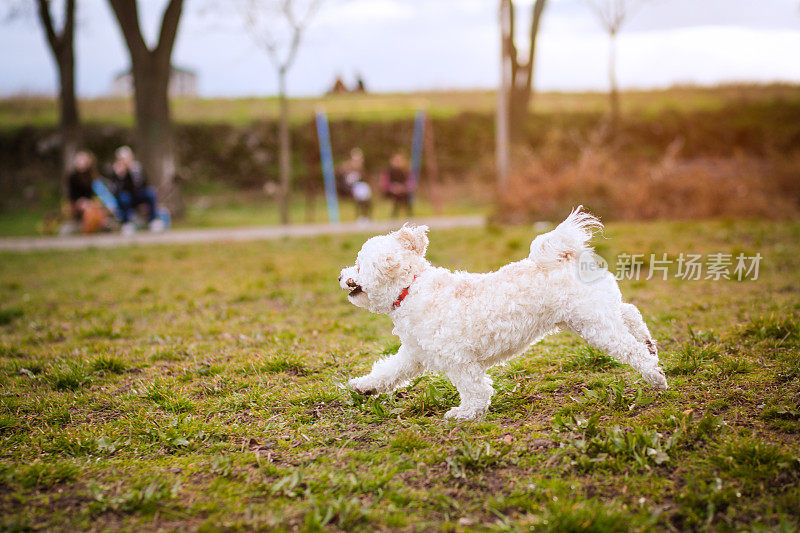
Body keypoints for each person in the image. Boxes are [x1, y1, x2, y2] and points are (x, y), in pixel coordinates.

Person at [109, 146, 162, 234]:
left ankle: (153, 220)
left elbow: (142, 184)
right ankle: (127, 223)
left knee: (151, 192)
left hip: (137, 195)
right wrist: (120, 176)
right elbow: (116, 190)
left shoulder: (136, 168)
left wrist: (132, 172)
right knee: (124, 197)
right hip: (125, 198)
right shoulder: (116, 171)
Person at [66, 151, 108, 234]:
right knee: (88, 210)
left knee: (98, 208)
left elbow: (91, 194)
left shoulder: (90, 176)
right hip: (77, 202)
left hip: (88, 201)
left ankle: (101, 226)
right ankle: (87, 230)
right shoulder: (72, 176)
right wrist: (79, 201)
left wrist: (91, 202)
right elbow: (71, 195)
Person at [336, 148, 372, 221]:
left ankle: (365, 216)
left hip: (359, 188)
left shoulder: (361, 169)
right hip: (348, 189)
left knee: (366, 197)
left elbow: (364, 179)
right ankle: (361, 216)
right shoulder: (346, 167)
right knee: (361, 196)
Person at [380, 152, 416, 218]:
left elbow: (411, 183)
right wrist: (392, 188)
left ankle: (409, 215)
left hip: (403, 191)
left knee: (406, 196)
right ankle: (394, 214)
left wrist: (402, 188)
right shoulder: (388, 171)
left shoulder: (406, 172)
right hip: (391, 191)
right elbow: (384, 183)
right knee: (395, 197)